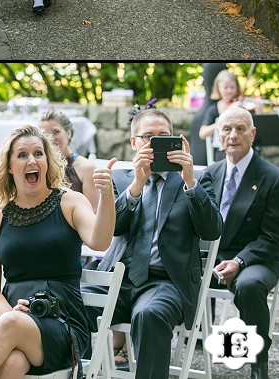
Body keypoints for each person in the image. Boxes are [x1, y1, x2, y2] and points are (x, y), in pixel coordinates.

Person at [0, 125, 115, 379]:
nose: (31, 160)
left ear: (48, 161)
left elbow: (100, 242)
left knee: (9, 328)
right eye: (22, 155)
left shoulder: (69, 202)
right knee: (11, 365)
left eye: (38, 154)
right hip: (14, 318)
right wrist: (9, 313)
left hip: (64, 323)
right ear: (9, 166)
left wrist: (107, 195)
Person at [88, 108, 222, 379]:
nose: (155, 144)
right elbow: (110, 231)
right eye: (148, 137)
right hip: (116, 278)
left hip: (165, 281)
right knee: (66, 300)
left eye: (164, 137)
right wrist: (137, 185)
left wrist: (189, 180)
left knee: (150, 314)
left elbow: (212, 230)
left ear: (176, 141)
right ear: (133, 143)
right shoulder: (120, 179)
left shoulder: (194, 178)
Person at [199, 107, 279, 379]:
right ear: (218, 136)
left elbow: (273, 236)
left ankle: (258, 362)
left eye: (240, 129)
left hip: (257, 256)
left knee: (248, 284)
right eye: (226, 129)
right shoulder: (210, 173)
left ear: (252, 134)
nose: (233, 135)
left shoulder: (272, 176)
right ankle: (180, 347)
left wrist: (239, 261)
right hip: (213, 255)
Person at [39, 110, 100, 210]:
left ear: (68, 133)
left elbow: (93, 211)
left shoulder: (86, 168)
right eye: (45, 134)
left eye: (56, 132)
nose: (50, 138)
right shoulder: (38, 166)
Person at [198, 69, 243, 162]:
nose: (229, 91)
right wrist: (221, 121)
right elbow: (202, 133)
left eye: (232, 87)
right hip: (222, 152)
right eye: (226, 87)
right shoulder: (213, 109)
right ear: (219, 88)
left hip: (240, 149)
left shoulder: (240, 105)